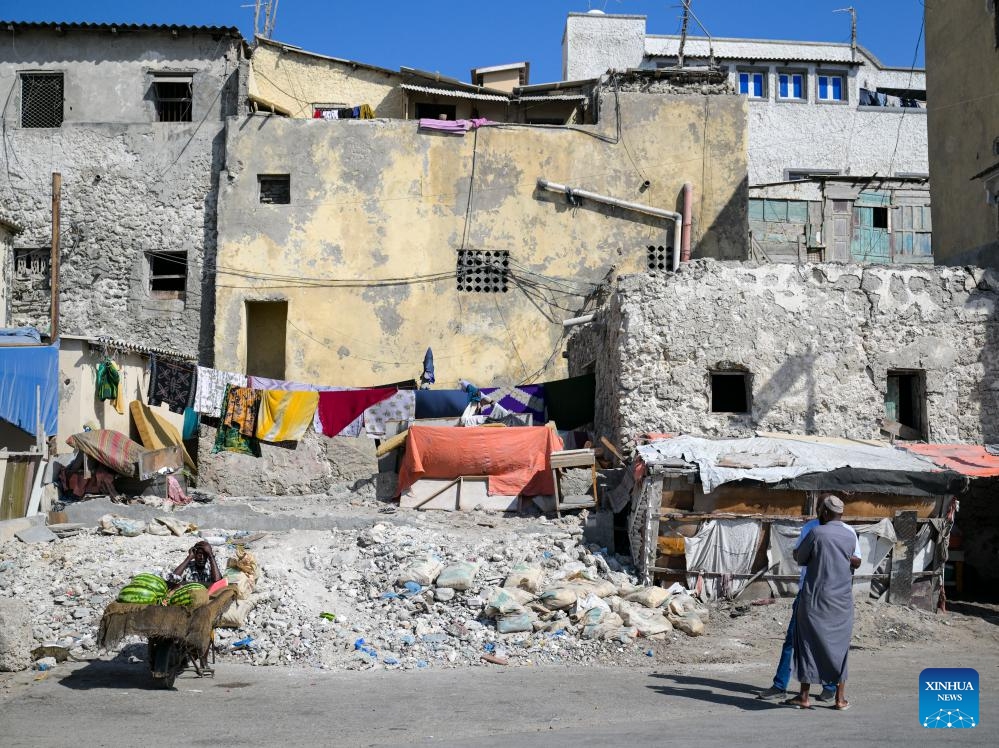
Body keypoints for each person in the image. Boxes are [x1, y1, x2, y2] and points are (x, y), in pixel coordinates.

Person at [758, 495, 861, 702]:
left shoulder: (837, 532)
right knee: (798, 640)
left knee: (815, 640)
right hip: (819, 592)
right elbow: (801, 556)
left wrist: (835, 554)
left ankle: (824, 688)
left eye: (820, 507)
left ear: (825, 510)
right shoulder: (812, 528)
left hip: (819, 595)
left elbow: (854, 560)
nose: (818, 511)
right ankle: (781, 685)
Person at [784, 494, 858, 710]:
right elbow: (854, 560)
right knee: (840, 648)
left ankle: (804, 697)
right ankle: (840, 699)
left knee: (807, 644)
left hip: (815, 599)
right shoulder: (850, 535)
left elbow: (800, 558)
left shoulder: (816, 532)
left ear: (824, 512)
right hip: (842, 601)